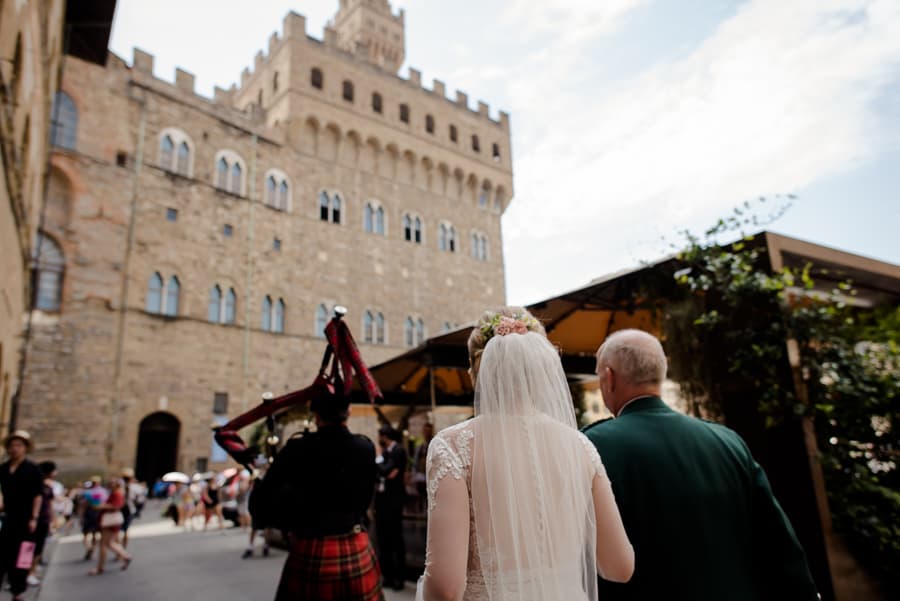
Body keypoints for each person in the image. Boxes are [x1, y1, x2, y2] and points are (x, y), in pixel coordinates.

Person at [582, 329, 819, 600]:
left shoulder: (592, 448)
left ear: (609, 378)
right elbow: (778, 541)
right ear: (662, 372)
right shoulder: (727, 441)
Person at [417, 308, 633, 601]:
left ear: (475, 374)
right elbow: (620, 567)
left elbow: (446, 588)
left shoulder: (453, 446)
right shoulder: (580, 447)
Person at [251, 388, 381, 601]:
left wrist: (288, 522)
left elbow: (260, 505)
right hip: (355, 544)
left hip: (310, 547)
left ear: (316, 415)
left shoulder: (297, 448)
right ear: (347, 412)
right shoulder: (365, 447)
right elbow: (365, 500)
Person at [0, 431, 43, 601]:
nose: (14, 449)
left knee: (24, 555)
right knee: (3, 553)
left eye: (18, 445)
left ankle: (18, 591)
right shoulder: (3, 469)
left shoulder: (33, 469)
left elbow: (37, 495)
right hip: (5, 517)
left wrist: (34, 517)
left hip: (25, 519)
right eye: (12, 445)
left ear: (25, 448)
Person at [376, 424, 408, 590]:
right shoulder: (386, 453)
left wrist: (378, 462)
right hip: (381, 501)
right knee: (383, 539)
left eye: (379, 436)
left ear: (385, 436)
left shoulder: (398, 452)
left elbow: (387, 473)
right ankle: (387, 575)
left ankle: (399, 577)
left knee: (396, 538)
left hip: (394, 501)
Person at [88, 478, 132, 575]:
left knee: (104, 544)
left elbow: (116, 506)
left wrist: (101, 506)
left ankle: (100, 568)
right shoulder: (116, 493)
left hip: (110, 521)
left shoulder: (117, 493)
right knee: (110, 543)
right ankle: (125, 556)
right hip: (112, 521)